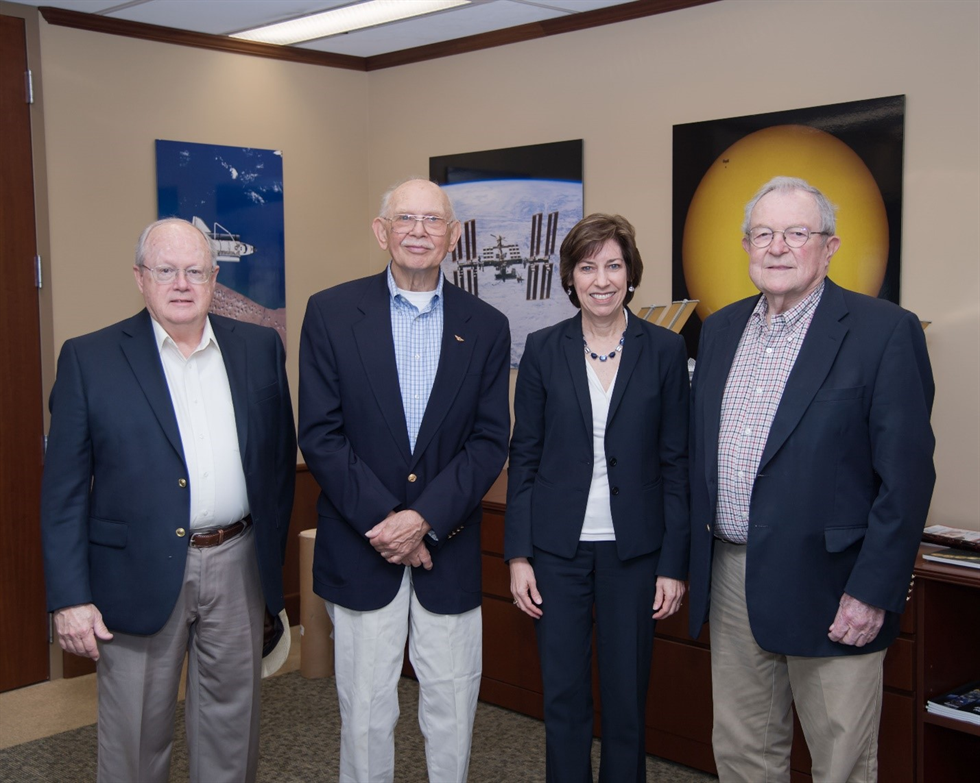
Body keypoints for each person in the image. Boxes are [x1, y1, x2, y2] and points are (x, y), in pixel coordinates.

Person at [687, 177, 936, 783]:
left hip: (834, 584)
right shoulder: (719, 330)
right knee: (743, 751)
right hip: (732, 574)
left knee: (841, 760)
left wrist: (873, 589)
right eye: (763, 234)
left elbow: (906, 478)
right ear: (745, 245)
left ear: (829, 248)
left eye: (797, 234)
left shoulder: (883, 331)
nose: (777, 247)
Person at [41, 218, 296, 783]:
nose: (181, 283)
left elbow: (278, 462)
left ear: (214, 278)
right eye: (165, 271)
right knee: (135, 737)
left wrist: (267, 563)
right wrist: (69, 598)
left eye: (195, 271)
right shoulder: (90, 358)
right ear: (140, 278)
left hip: (238, 561)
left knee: (233, 730)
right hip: (133, 574)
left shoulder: (258, 348)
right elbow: (61, 494)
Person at [298, 178, 510, 783]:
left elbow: (490, 439)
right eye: (406, 219)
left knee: (451, 709)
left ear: (455, 235)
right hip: (361, 549)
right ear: (381, 230)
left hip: (448, 547)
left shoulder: (487, 325)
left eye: (433, 220)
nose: (419, 232)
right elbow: (321, 433)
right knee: (364, 712)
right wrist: (388, 522)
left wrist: (423, 520)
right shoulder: (332, 312)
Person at [506, 213, 690, 783]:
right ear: (570, 277)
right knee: (563, 698)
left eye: (613, 265)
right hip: (557, 552)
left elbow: (676, 463)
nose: (601, 279)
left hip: (633, 554)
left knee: (627, 699)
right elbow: (526, 457)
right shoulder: (542, 348)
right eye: (588, 267)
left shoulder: (664, 349)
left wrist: (672, 563)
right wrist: (518, 556)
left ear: (631, 275)